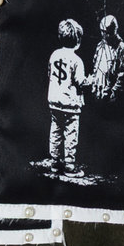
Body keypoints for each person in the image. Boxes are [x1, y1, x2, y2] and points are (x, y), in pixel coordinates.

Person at [46, 18, 89, 175]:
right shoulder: (77, 60)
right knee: (70, 133)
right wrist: (90, 80)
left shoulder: (54, 55)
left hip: (54, 101)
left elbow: (49, 74)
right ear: (78, 40)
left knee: (55, 131)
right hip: (70, 103)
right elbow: (80, 82)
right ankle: (69, 166)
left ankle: (54, 163)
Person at [88, 13, 124, 101]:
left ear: (114, 31)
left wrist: (112, 93)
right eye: (102, 31)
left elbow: (122, 75)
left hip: (111, 97)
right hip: (97, 92)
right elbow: (95, 66)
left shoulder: (122, 49)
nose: (104, 35)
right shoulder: (100, 46)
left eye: (106, 32)